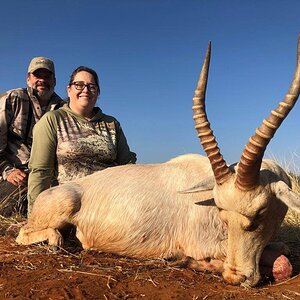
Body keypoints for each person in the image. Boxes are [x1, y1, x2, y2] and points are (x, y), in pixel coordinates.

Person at [27, 66, 136, 214]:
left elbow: (128, 168)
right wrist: (34, 217)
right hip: (69, 207)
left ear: (97, 93)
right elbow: (40, 172)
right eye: (79, 85)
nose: (85, 90)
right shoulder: (53, 120)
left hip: (110, 206)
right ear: (69, 90)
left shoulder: (112, 123)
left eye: (92, 86)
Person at [0, 57, 64, 217]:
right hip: (16, 175)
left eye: (47, 76)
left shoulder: (64, 108)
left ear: (54, 81)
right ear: (28, 79)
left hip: (51, 177)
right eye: (37, 76)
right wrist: (7, 170)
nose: (42, 80)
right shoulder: (12, 99)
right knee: (10, 211)